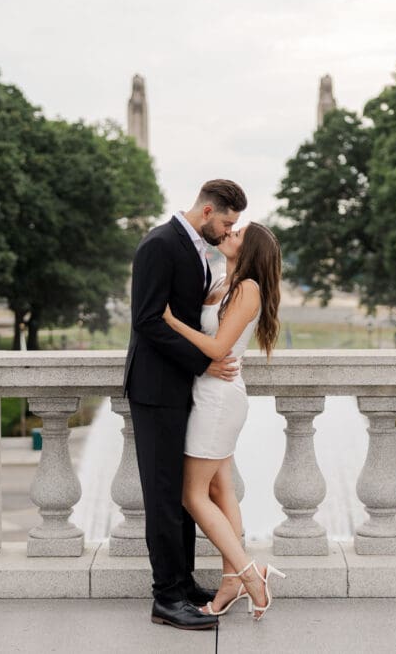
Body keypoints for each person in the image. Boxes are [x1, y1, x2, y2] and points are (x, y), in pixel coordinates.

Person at [123, 179, 246, 630]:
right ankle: (166, 597)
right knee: (162, 497)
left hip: (180, 388)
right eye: (227, 223)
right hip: (156, 389)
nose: (228, 231)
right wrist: (203, 362)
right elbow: (148, 319)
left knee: (179, 494)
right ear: (208, 211)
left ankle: (184, 584)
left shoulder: (197, 249)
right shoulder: (159, 244)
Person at [161, 221, 286, 621]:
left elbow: (218, 348)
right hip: (208, 393)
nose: (229, 234)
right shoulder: (221, 281)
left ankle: (249, 574)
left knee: (192, 495)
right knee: (220, 489)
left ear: (249, 251)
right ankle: (232, 580)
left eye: (238, 234)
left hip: (218, 401)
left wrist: (172, 322)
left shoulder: (248, 289)